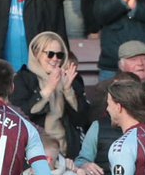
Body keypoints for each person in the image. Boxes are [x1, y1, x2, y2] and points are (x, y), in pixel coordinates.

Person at [10, 31, 89, 160]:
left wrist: (68, 91)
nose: (55, 59)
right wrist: (48, 89)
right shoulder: (22, 79)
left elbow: (82, 120)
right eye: (50, 54)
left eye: (59, 55)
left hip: (66, 153)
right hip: (33, 153)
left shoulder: (70, 78)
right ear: (36, 54)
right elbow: (20, 115)